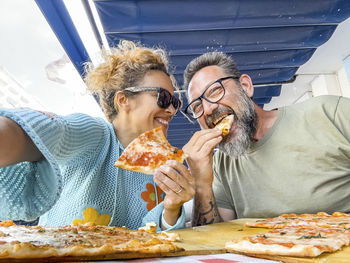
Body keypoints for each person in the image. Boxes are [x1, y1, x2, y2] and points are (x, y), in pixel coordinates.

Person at [0, 40, 194, 231]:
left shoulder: (160, 163)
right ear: (123, 99)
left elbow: (147, 232)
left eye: (174, 103)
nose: (171, 110)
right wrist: (13, 129)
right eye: (163, 98)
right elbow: (52, 132)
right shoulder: (95, 134)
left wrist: (171, 207)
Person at [182, 51, 350, 226]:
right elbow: (212, 239)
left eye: (215, 90)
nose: (208, 109)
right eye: (197, 107)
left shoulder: (330, 112)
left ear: (246, 86)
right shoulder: (220, 166)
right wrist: (201, 183)